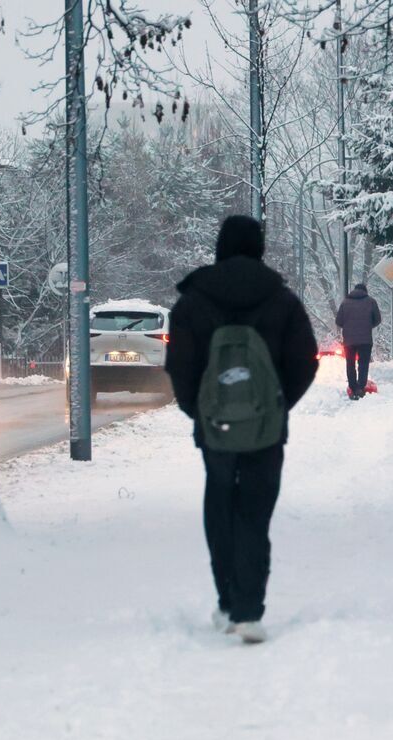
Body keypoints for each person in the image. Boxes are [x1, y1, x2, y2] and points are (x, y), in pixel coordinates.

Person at [165, 215, 319, 644]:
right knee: (255, 512)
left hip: (215, 427)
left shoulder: (194, 300)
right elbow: (305, 361)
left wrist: (199, 410)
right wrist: (276, 406)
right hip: (266, 430)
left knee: (220, 507)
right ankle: (250, 609)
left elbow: (178, 364)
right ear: (259, 248)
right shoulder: (281, 300)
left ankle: (229, 603)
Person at [334, 282, 382, 399]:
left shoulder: (345, 302)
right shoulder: (371, 301)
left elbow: (338, 321)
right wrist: (368, 325)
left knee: (350, 363)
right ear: (365, 291)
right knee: (363, 364)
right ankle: (361, 387)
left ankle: (353, 387)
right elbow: (378, 319)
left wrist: (348, 325)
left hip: (349, 341)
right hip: (365, 339)